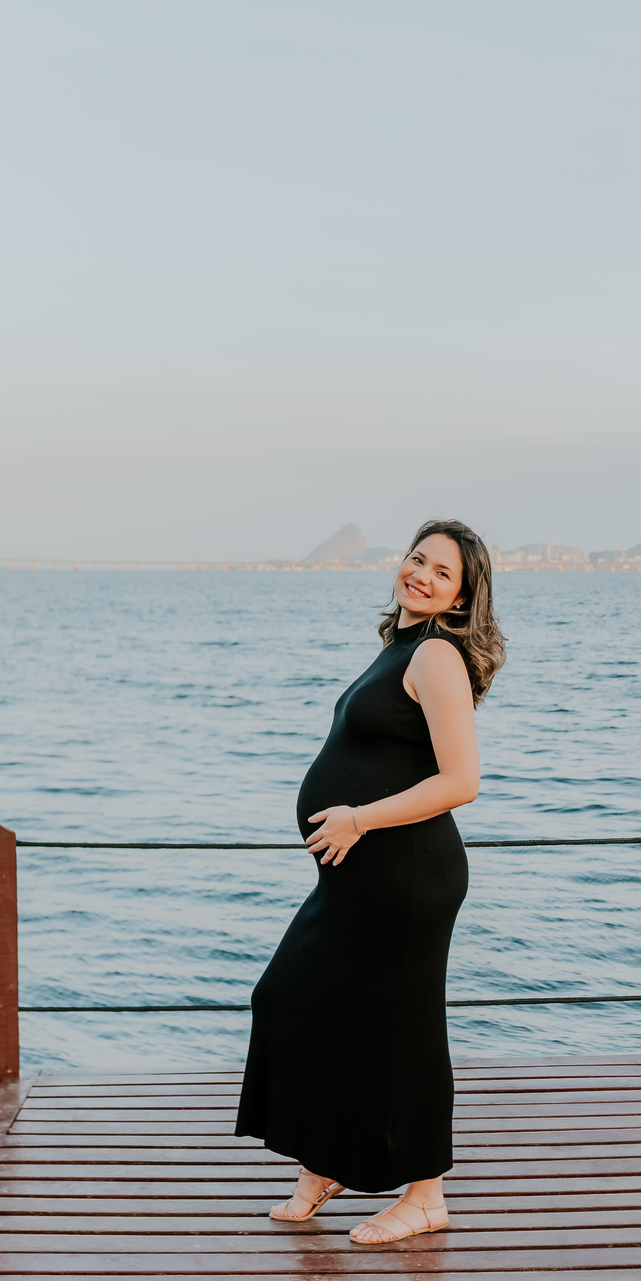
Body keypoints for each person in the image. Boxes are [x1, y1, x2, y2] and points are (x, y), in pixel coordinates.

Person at [235, 519, 506, 1244]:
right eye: (418, 559)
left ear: (462, 596)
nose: (421, 575)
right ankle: (327, 1162)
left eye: (442, 572)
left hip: (407, 874)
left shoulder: (439, 656)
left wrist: (356, 819)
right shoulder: (402, 647)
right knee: (294, 997)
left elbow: (462, 781)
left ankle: (426, 1195)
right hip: (363, 878)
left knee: (405, 1028)